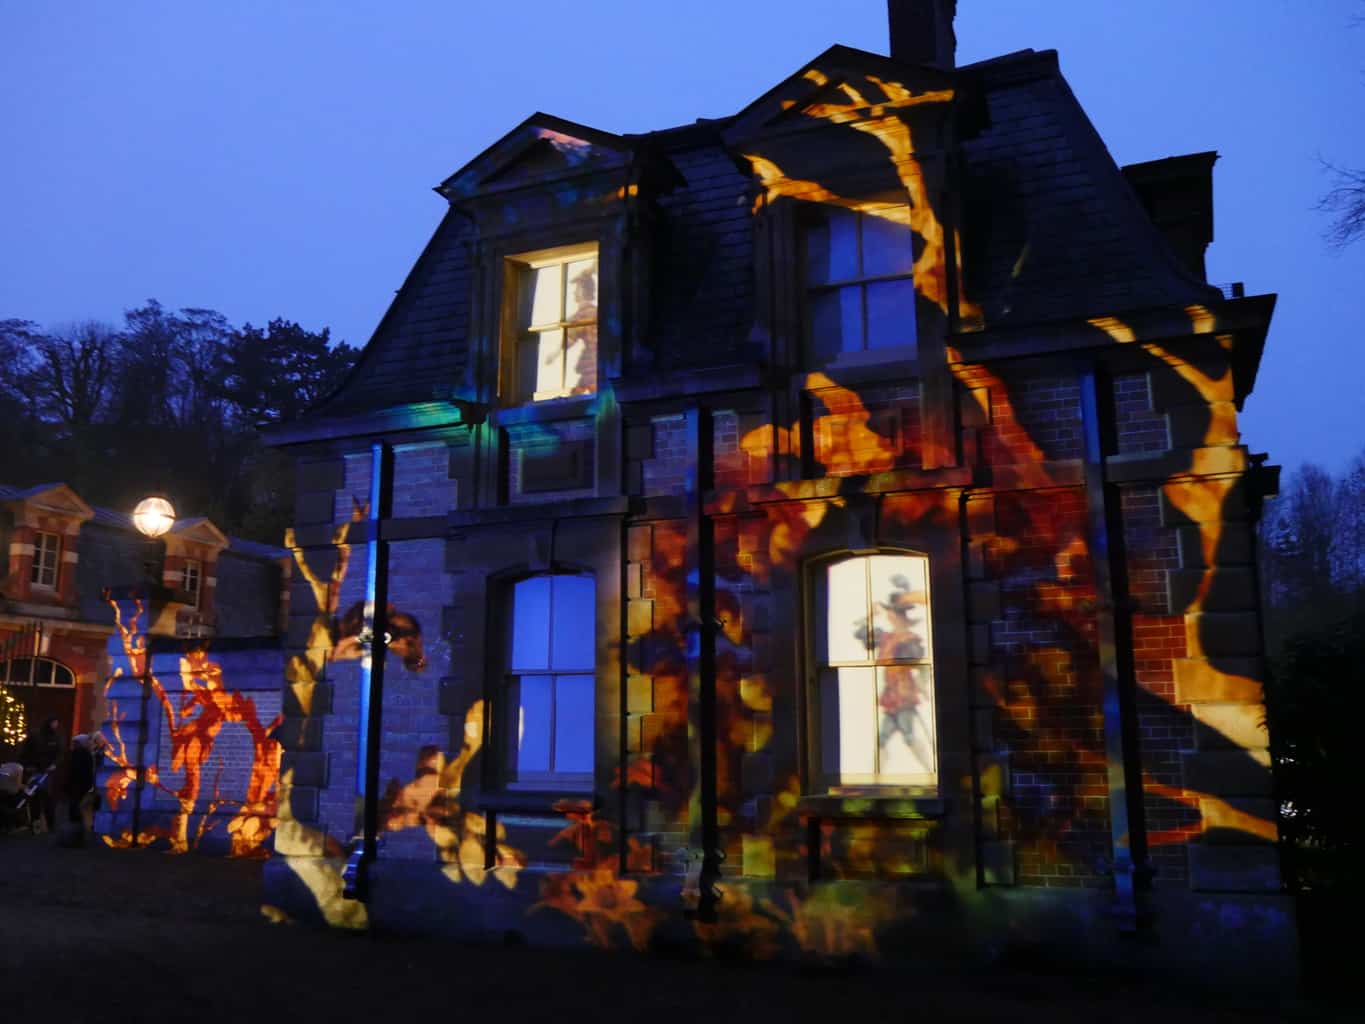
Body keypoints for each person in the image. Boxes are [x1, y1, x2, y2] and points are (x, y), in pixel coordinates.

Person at [19, 716, 62, 832]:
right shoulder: (35, 736)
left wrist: (55, 764)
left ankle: (50, 825)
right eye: (54, 723)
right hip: (35, 771)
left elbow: (59, 753)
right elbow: (25, 752)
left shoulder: (56, 738)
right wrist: (28, 766)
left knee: (48, 799)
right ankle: (35, 824)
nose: (56, 726)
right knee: (34, 798)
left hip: (47, 773)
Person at [67, 733, 97, 833]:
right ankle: (79, 825)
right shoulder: (85, 754)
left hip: (75, 783)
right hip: (82, 783)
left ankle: (75, 824)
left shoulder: (74, 753)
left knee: (76, 803)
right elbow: (86, 770)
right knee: (80, 804)